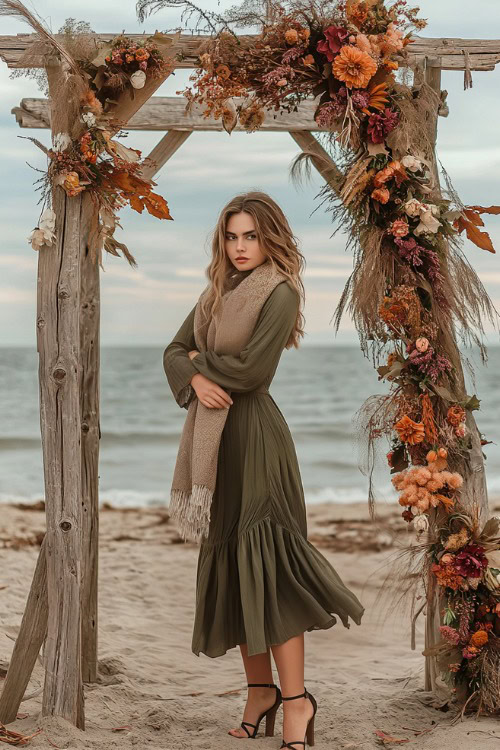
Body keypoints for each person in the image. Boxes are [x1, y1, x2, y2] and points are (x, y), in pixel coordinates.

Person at [163, 191, 364, 748]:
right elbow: (173, 350)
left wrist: (201, 365)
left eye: (250, 235)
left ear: (268, 237)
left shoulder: (279, 292)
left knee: (268, 569)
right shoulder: (214, 295)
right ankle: (260, 691)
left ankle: (297, 702)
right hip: (218, 444)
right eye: (231, 236)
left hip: (256, 441)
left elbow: (251, 372)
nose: (240, 246)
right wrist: (195, 377)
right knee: (231, 564)